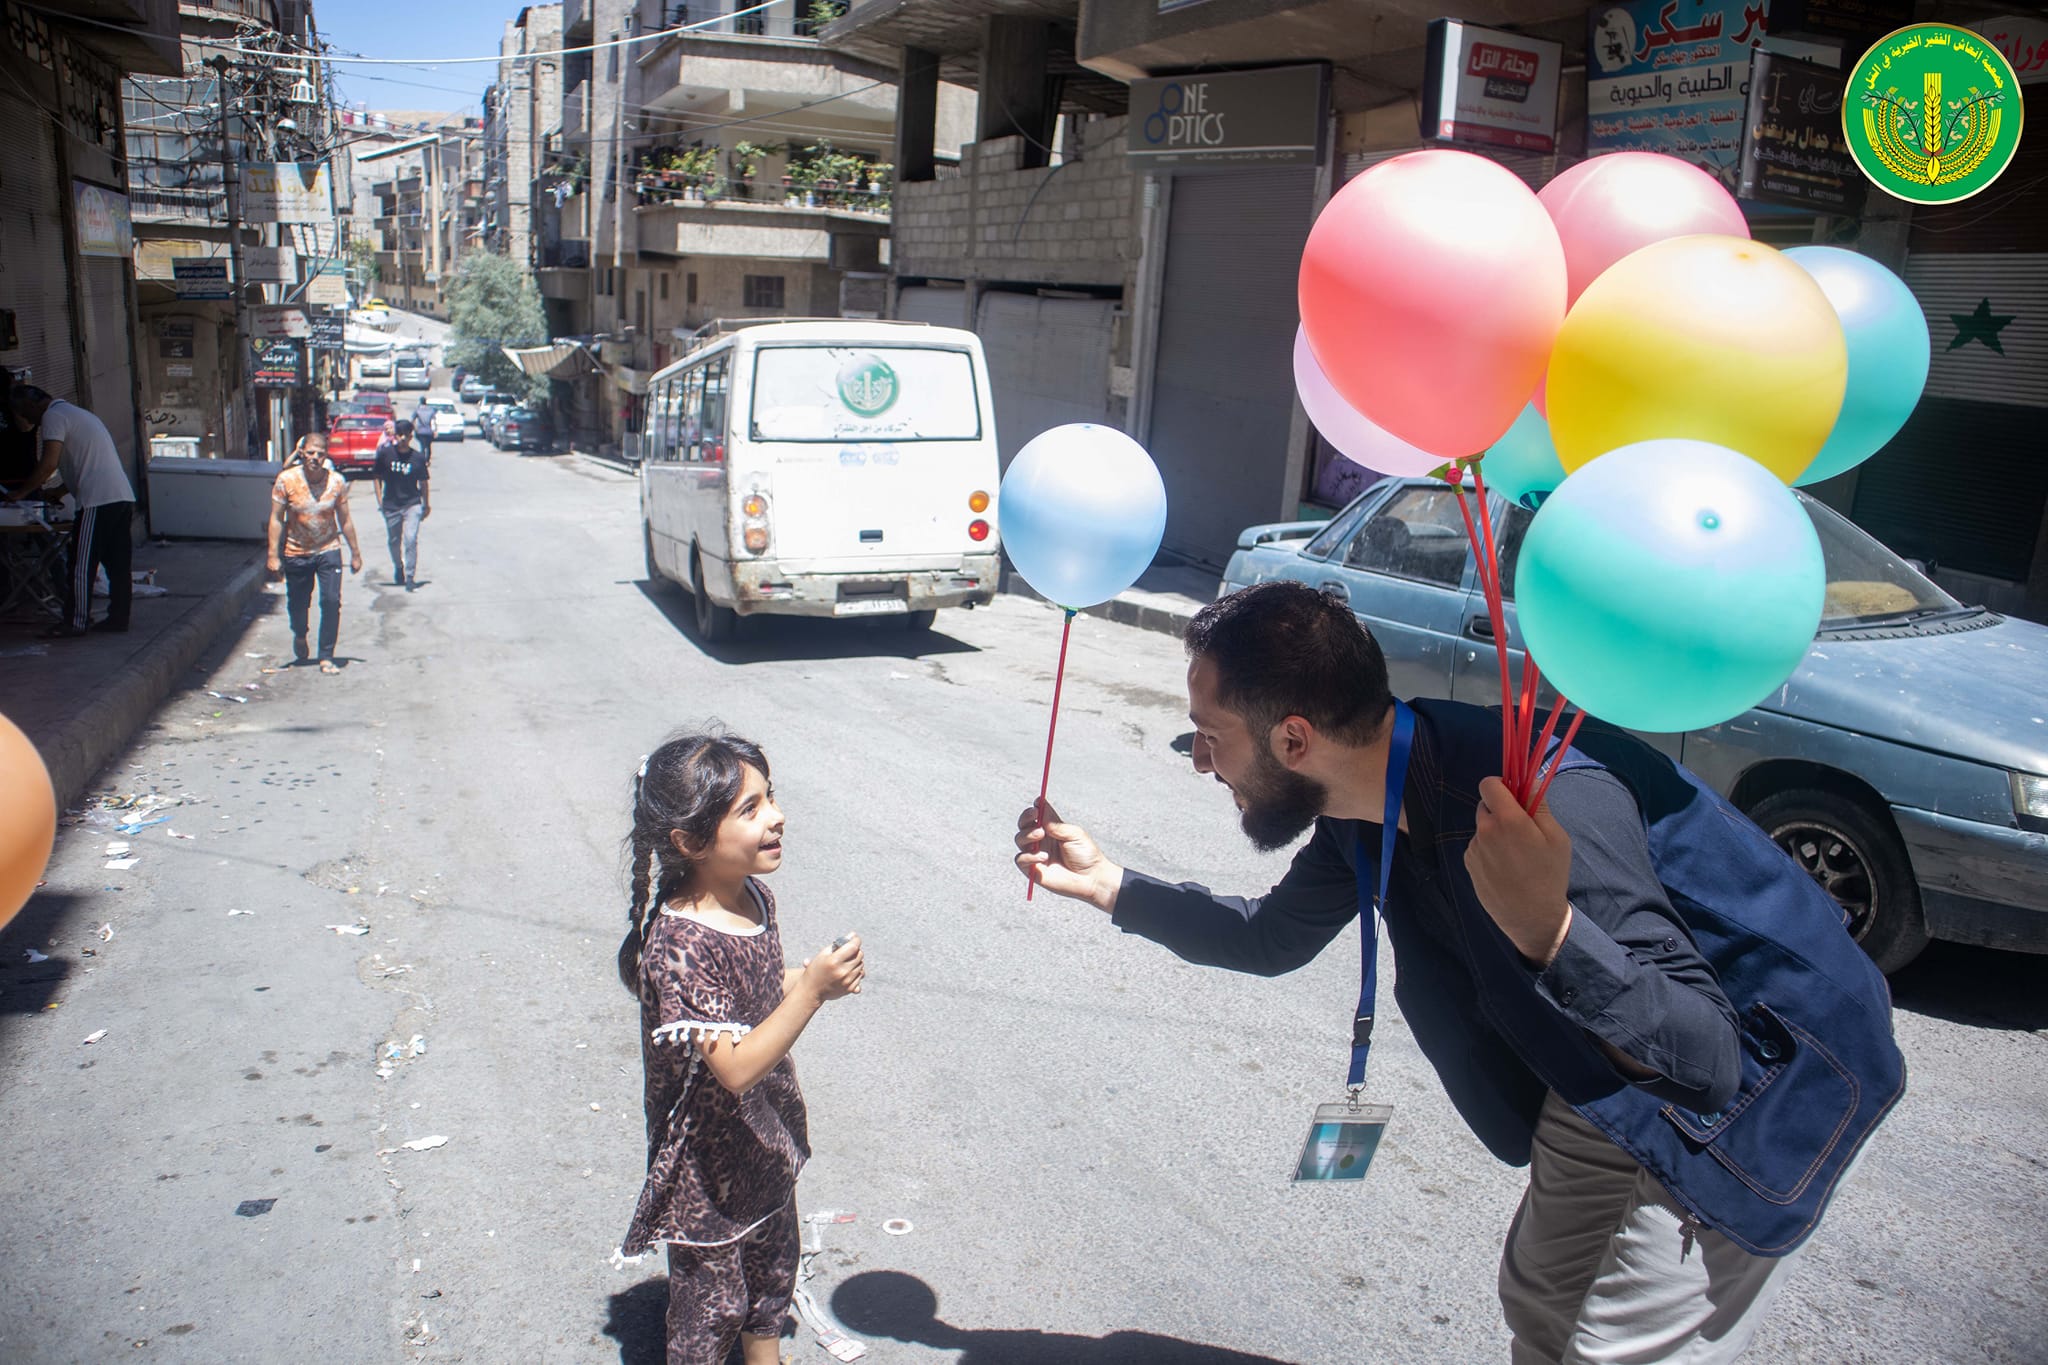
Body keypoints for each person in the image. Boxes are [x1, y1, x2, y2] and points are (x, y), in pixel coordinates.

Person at [1014, 580, 1903, 1364]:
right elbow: (1272, 937)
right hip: (1598, 1057)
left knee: (1615, 1349)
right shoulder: (1360, 802)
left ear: (1293, 737)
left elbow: (1708, 1060)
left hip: (1761, 1072)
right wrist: (1110, 883)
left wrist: (1551, 931)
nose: (1200, 762)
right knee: (1540, 1303)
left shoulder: (1544, 798)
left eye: (1209, 737)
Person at [617, 733, 865, 1365]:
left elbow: (755, 990)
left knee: (773, 1265)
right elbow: (732, 1068)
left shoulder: (753, 895)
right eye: (750, 809)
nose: (776, 816)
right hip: (705, 1162)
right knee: (712, 1303)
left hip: (761, 1131)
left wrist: (809, 979)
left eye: (770, 797)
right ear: (691, 842)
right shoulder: (681, 943)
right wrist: (811, 992)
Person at [3, 384, 139, 638]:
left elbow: (49, 463)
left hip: (96, 500)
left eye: (24, 413)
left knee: (81, 564)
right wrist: (60, 491)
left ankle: (75, 621)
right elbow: (88, 463)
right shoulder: (78, 414)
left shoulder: (53, 417)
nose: (27, 421)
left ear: (32, 405)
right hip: (120, 496)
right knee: (118, 564)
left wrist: (21, 493)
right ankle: (119, 617)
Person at [266, 432, 362, 673]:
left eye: (320, 454)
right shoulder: (286, 480)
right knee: (298, 604)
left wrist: (355, 553)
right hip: (296, 552)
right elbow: (276, 518)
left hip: (328, 549)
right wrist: (273, 554)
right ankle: (300, 634)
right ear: (302, 453)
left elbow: (345, 520)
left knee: (331, 600)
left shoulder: (336, 482)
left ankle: (326, 655)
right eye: (310, 453)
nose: (315, 458)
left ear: (326, 455)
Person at [372, 419, 430, 590]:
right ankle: (399, 567)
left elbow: (424, 482)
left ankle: (410, 577)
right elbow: (376, 477)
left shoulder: (417, 458)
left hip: (412, 503)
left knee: (410, 539)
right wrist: (380, 500)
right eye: (400, 435)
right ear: (395, 436)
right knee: (394, 540)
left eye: (407, 435)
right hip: (391, 504)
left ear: (411, 436)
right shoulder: (385, 454)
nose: (403, 438)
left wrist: (426, 504)